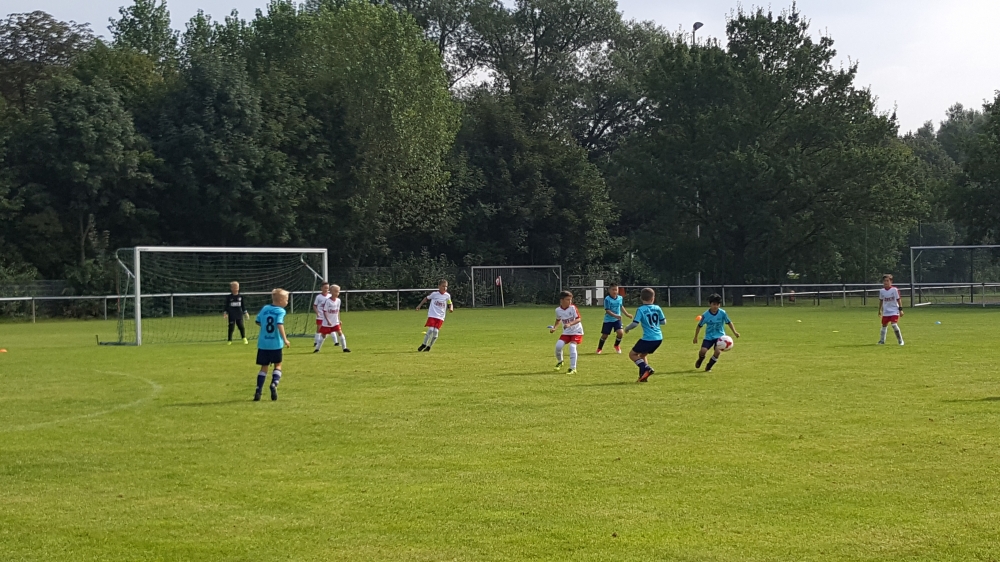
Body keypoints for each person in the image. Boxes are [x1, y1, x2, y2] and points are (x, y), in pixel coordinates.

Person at [254, 289, 291, 402]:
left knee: (264, 367)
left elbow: (258, 321)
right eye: (286, 300)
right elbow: (279, 324)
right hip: (275, 344)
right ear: (280, 300)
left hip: (263, 344)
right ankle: (274, 383)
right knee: (278, 365)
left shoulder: (265, 308)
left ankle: (258, 390)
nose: (287, 302)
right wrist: (285, 339)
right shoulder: (280, 311)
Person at [624, 287, 665, 383]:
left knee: (632, 354)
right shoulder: (657, 308)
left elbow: (635, 323)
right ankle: (643, 377)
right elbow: (663, 322)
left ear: (641, 298)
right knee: (642, 355)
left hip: (648, 338)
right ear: (653, 298)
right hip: (658, 338)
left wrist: (627, 328)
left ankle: (646, 368)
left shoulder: (641, 309)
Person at [693, 293, 740, 372]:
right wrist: (695, 337)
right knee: (703, 351)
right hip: (709, 337)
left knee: (717, 352)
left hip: (720, 337)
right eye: (714, 304)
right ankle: (700, 359)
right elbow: (699, 326)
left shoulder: (722, 313)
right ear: (710, 304)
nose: (716, 306)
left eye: (717, 304)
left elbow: (729, 322)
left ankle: (709, 366)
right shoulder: (705, 315)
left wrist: (735, 332)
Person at [550, 290, 583, 374]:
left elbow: (579, 319)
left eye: (571, 299)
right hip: (567, 332)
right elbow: (558, 320)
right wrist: (554, 328)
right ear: (562, 300)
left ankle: (573, 368)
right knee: (558, 346)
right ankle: (560, 361)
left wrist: (570, 324)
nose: (570, 301)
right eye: (568, 299)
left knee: (572, 347)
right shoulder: (558, 310)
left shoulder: (573, 308)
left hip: (576, 331)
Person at [417, 279, 453, 351]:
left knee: (436, 331)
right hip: (432, 315)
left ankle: (429, 346)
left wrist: (451, 308)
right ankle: (424, 344)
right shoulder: (434, 294)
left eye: (446, 286)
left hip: (441, 316)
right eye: (443, 286)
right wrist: (419, 305)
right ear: (439, 286)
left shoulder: (447, 296)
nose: (445, 288)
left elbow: (450, 303)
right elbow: (426, 298)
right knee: (430, 329)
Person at [597, 283, 632, 354]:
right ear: (609, 290)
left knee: (620, 333)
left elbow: (621, 306)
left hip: (617, 320)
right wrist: (615, 315)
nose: (615, 291)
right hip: (608, 320)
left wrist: (627, 314)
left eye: (616, 290)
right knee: (605, 335)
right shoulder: (607, 299)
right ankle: (599, 348)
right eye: (613, 290)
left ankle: (616, 345)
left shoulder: (620, 298)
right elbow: (607, 310)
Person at [315, 284, 351, 353]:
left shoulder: (338, 300)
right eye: (336, 291)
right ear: (331, 292)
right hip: (327, 322)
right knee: (323, 335)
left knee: (340, 332)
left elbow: (338, 311)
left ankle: (344, 348)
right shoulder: (328, 301)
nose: (337, 293)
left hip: (335, 322)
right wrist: (328, 321)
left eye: (338, 291)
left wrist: (339, 319)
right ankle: (317, 349)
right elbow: (325, 312)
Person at [878, 274, 904, 346]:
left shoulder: (894, 290)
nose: (886, 282)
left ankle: (900, 341)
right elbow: (881, 301)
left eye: (887, 281)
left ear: (891, 282)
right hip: (886, 311)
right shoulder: (882, 291)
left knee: (894, 324)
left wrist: (900, 310)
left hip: (894, 310)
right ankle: (882, 341)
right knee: (884, 325)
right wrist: (879, 310)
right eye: (884, 281)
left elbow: (898, 299)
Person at [313, 283, 336, 350]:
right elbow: (314, 306)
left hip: (328, 316)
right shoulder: (318, 297)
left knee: (332, 328)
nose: (326, 289)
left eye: (327, 288)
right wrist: (317, 313)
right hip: (320, 316)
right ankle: (316, 342)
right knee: (319, 329)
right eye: (325, 288)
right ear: (321, 288)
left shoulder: (330, 296)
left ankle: (336, 342)